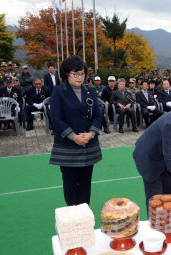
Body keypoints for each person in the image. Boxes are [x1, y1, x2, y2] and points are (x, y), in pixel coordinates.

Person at [49, 55, 102, 206]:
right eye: (76, 74)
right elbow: (56, 119)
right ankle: (72, 218)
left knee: (86, 186)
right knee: (70, 187)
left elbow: (98, 116)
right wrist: (74, 137)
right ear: (66, 74)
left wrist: (91, 133)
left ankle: (84, 216)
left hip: (88, 145)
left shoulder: (90, 91)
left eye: (82, 73)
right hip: (68, 147)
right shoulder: (59, 91)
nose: (80, 77)